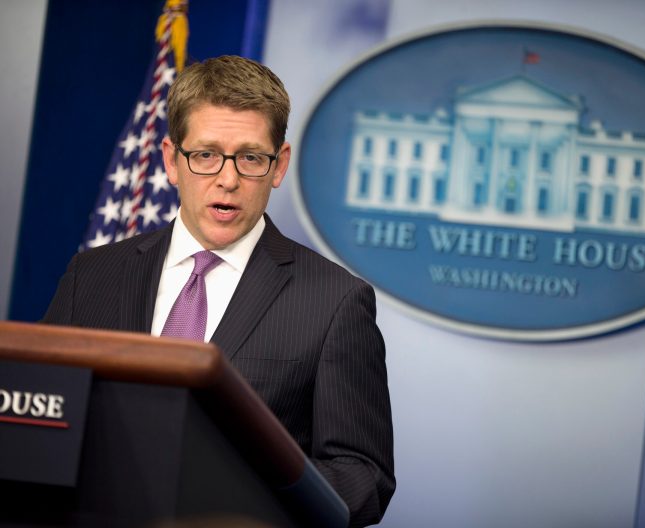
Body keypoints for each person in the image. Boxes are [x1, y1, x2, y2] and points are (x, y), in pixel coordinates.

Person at [43, 55, 395, 527]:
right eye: (205, 154)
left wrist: (246, 502)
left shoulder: (335, 301)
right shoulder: (92, 275)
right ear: (171, 160)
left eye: (250, 157)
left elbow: (363, 476)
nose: (227, 179)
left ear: (278, 165)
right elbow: (42, 416)